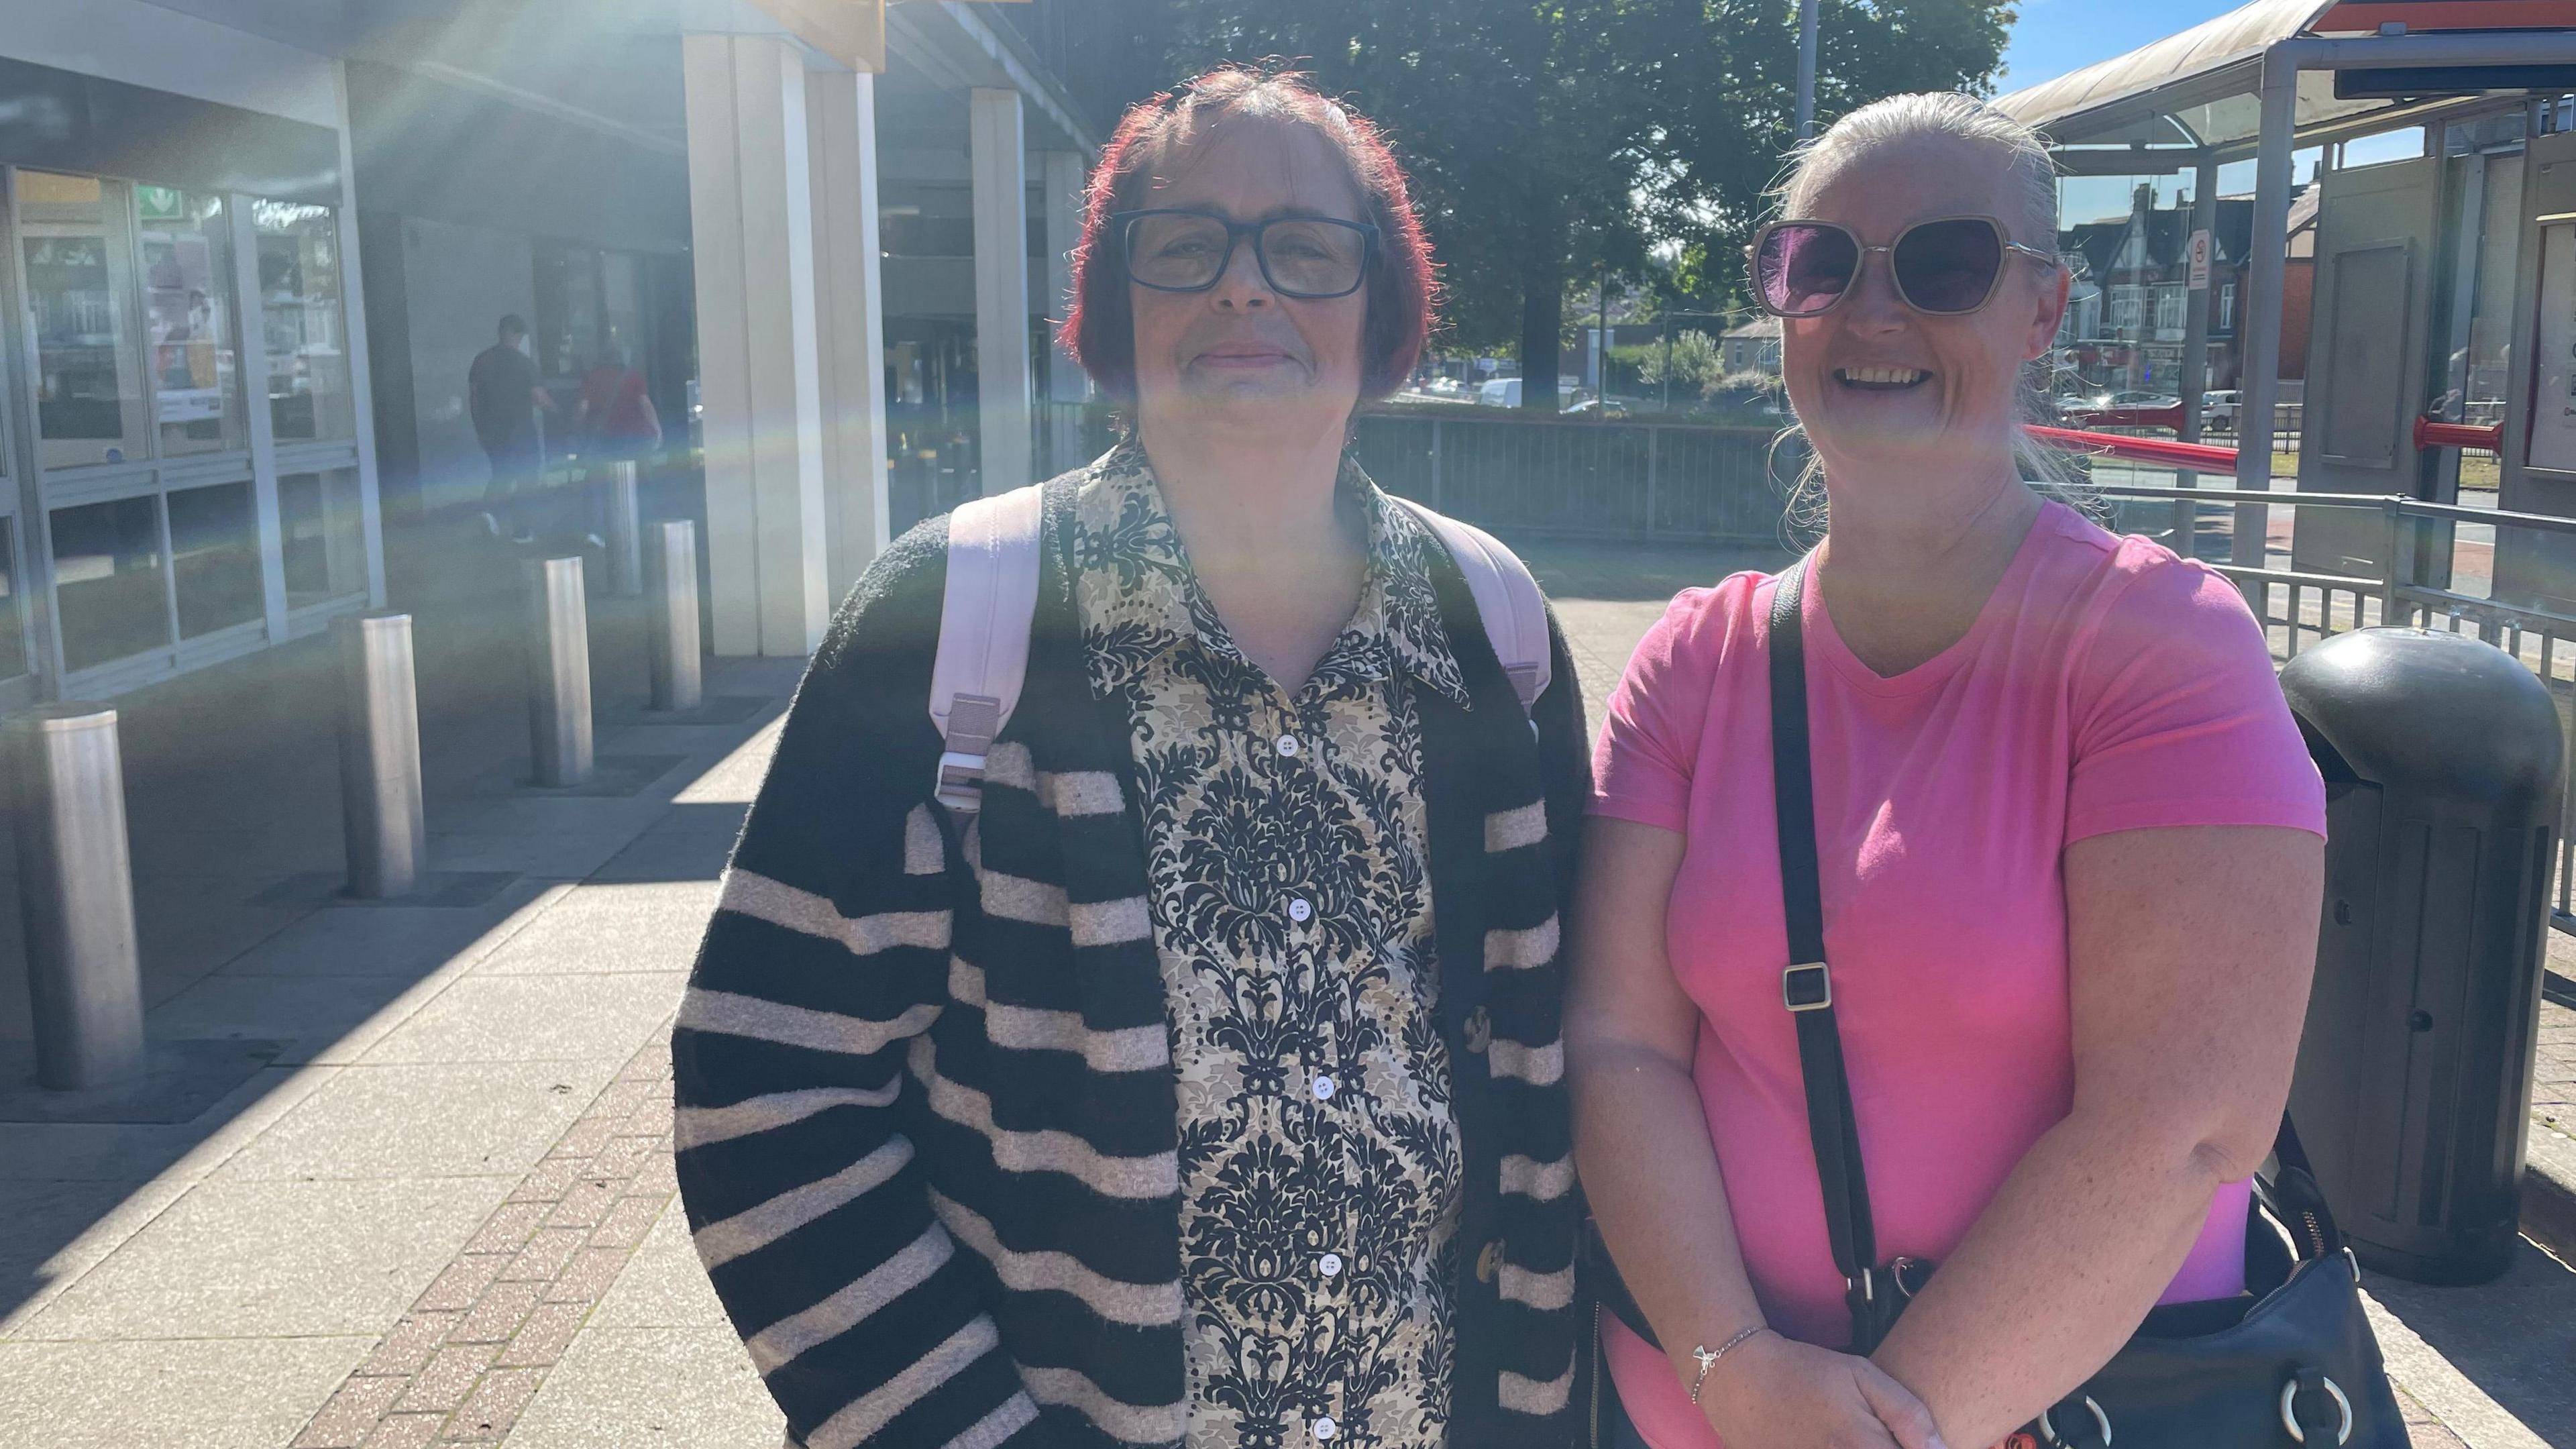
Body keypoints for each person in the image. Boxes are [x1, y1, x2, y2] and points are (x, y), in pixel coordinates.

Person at [674, 66, 1593, 1449]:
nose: (1244, 287)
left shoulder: (1491, 631)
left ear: (1381, 302)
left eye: (1304, 245)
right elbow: (766, 1088)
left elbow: (1563, 1068)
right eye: (1186, 243)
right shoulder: (953, 617)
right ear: (1119, 304)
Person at [1565, 93, 2327, 1449]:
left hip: (2067, 1409)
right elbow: (1620, 1045)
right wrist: (1731, 1365)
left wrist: (1878, 1429)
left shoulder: (2162, 648)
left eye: (1945, 265)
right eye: (1822, 262)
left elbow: (2186, 1127)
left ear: (2042, 310)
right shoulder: (1693, 659)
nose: (1873, 310)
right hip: (1693, 1408)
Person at [468, 315, 551, 541]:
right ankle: (522, 531)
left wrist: (480, 429)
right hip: (521, 431)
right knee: (526, 478)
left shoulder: (481, 361)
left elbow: (474, 397)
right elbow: (539, 398)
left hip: (491, 432)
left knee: (502, 473)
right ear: (519, 335)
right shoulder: (524, 364)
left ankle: (488, 511)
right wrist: (559, 410)